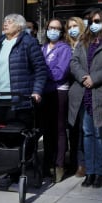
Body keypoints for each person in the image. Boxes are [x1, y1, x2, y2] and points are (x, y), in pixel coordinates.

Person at [0, 13, 48, 146]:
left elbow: (40, 70)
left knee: (19, 136)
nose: (5, 24)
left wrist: (37, 91)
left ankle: (23, 164)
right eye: (5, 21)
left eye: (10, 22)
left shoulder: (29, 42)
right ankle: (5, 165)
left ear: (19, 27)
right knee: (1, 136)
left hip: (19, 99)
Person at [68, 8, 102, 189]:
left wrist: (94, 78)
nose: (94, 24)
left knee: (100, 135)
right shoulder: (83, 41)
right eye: (91, 21)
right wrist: (83, 77)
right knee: (87, 134)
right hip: (84, 95)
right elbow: (74, 62)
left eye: (97, 21)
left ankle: (100, 172)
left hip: (100, 94)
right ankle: (89, 172)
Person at [40, 17, 73, 182]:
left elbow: (60, 73)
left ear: (61, 32)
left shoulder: (65, 48)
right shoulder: (43, 47)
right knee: (47, 130)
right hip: (44, 92)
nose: (53, 30)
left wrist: (42, 74)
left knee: (59, 129)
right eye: (50, 27)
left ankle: (59, 165)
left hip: (59, 91)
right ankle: (47, 164)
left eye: (57, 28)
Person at [65, 15, 87, 177]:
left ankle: (82, 163)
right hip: (65, 93)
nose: (72, 29)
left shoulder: (87, 44)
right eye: (69, 26)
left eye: (75, 25)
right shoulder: (65, 45)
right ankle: (73, 161)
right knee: (71, 130)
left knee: (83, 129)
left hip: (82, 91)